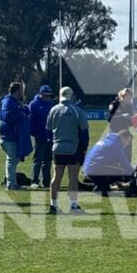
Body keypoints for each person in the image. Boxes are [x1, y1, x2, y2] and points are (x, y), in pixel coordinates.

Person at [46, 86, 89, 215]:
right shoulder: (77, 111)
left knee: (56, 178)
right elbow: (84, 133)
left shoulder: (53, 110)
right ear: (72, 96)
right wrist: (83, 149)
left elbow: (48, 131)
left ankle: (53, 205)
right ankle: (73, 205)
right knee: (73, 178)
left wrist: (52, 144)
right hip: (73, 149)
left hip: (57, 148)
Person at [83, 129, 134, 197]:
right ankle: (101, 187)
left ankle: (100, 186)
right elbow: (125, 164)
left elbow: (113, 164)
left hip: (89, 168)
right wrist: (133, 175)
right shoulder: (116, 145)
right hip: (95, 168)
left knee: (114, 171)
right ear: (123, 137)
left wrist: (120, 184)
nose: (127, 144)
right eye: (128, 141)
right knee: (123, 170)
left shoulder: (108, 140)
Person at [0, 82, 30, 190]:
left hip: (15, 135)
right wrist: (20, 115)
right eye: (21, 89)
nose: (23, 92)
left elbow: (27, 112)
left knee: (14, 159)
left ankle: (12, 182)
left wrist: (23, 107)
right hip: (8, 135)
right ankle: (11, 184)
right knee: (12, 159)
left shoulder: (16, 101)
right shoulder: (8, 101)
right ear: (17, 91)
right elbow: (6, 116)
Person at [28, 85, 54, 188]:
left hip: (50, 136)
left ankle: (46, 181)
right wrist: (35, 133)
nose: (48, 97)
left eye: (49, 95)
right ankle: (35, 180)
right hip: (39, 136)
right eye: (46, 95)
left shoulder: (51, 104)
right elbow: (30, 121)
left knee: (47, 160)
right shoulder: (33, 104)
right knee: (38, 159)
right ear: (41, 93)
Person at [107, 88, 135, 162]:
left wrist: (134, 120)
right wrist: (122, 116)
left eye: (130, 97)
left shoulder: (129, 106)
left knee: (127, 154)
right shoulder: (114, 104)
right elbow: (109, 119)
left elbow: (130, 123)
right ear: (123, 96)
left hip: (125, 131)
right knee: (114, 154)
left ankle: (127, 170)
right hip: (114, 131)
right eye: (128, 97)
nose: (129, 99)